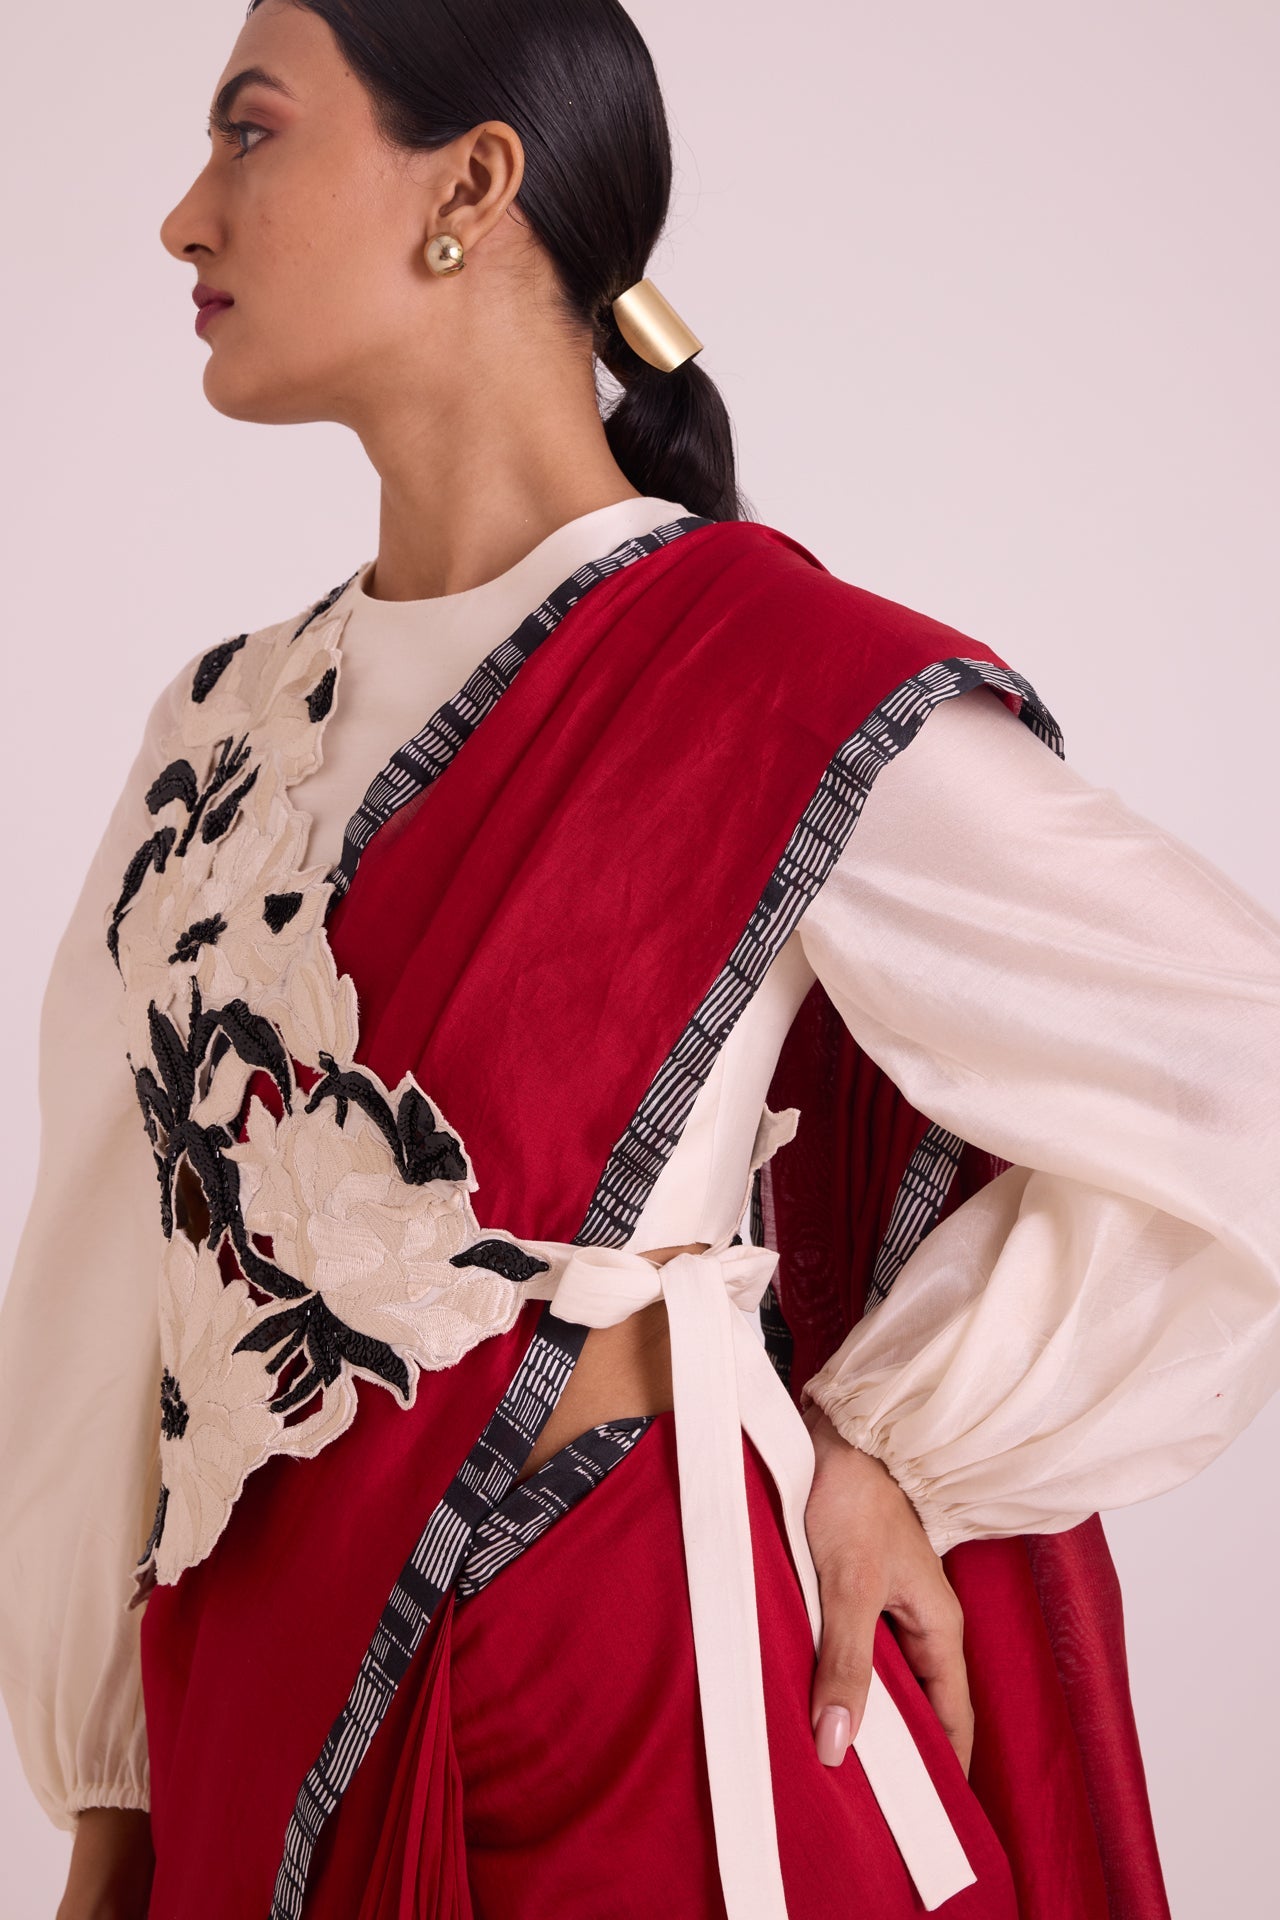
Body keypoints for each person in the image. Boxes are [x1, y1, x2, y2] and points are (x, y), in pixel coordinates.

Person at [1, 3, 1277, 1917]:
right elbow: (110, 1304)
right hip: (257, 1737)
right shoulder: (215, 736)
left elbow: (1237, 1061)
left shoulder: (762, 675)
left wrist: (904, 1448)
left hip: (639, 1722)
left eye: (250, 132)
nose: (187, 215)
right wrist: (111, 1817)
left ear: (471, 183)